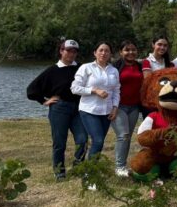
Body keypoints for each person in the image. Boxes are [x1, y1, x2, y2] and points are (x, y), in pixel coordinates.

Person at [26, 38, 87, 181]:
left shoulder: (82, 68)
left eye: (74, 51)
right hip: (60, 108)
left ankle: (78, 167)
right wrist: (44, 100)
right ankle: (59, 171)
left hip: (79, 108)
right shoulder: (52, 70)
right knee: (59, 142)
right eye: (68, 50)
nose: (71, 54)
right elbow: (31, 90)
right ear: (61, 51)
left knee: (82, 139)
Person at [71, 42, 120, 161]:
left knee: (100, 142)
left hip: (106, 111)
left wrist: (115, 107)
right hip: (89, 110)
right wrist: (94, 90)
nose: (103, 53)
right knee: (97, 140)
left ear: (110, 54)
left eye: (107, 51)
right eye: (101, 50)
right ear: (95, 53)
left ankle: (93, 170)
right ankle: (89, 173)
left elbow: (116, 91)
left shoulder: (114, 71)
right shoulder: (86, 68)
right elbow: (74, 88)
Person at [112, 40, 143, 177]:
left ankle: (122, 164)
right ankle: (119, 167)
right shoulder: (115, 67)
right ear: (121, 52)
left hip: (134, 107)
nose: (131, 52)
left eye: (133, 50)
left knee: (128, 136)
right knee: (123, 135)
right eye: (127, 50)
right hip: (119, 107)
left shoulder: (140, 66)